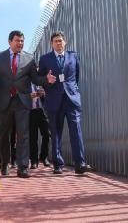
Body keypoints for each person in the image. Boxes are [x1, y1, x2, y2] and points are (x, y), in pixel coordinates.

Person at [0, 30, 55, 178]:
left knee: (23, 135)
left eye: (22, 41)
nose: (20, 43)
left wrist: (46, 79)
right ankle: (5, 164)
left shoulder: (29, 58)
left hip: (22, 102)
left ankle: (22, 167)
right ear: (9, 42)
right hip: (5, 101)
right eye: (17, 41)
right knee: (4, 135)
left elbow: (35, 79)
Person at [38, 31, 88, 174]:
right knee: (56, 133)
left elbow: (76, 77)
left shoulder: (73, 56)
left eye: (60, 40)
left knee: (76, 131)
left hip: (71, 100)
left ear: (64, 42)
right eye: (55, 41)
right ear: (51, 44)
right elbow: (41, 78)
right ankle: (58, 164)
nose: (58, 43)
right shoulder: (45, 59)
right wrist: (47, 80)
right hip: (54, 100)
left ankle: (80, 164)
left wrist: (74, 92)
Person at [29, 84, 50, 169]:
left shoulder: (42, 81)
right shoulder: (27, 82)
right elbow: (24, 96)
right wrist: (31, 95)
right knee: (33, 137)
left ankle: (44, 156)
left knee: (47, 134)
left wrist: (44, 94)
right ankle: (34, 161)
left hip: (42, 112)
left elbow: (49, 94)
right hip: (31, 111)